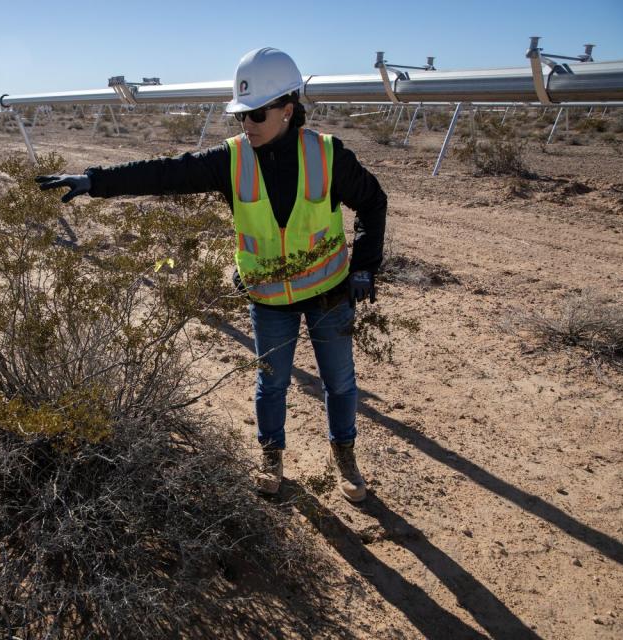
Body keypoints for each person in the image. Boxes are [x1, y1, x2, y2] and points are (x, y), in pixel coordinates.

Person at [36, 47, 386, 502]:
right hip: (268, 299)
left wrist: (363, 268)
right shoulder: (232, 159)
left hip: (328, 294)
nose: (248, 125)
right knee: (272, 383)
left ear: (287, 109)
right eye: (241, 115)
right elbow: (166, 173)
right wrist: (94, 181)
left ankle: (346, 459)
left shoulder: (327, 154)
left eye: (257, 114)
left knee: (339, 383)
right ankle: (271, 457)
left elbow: (373, 203)